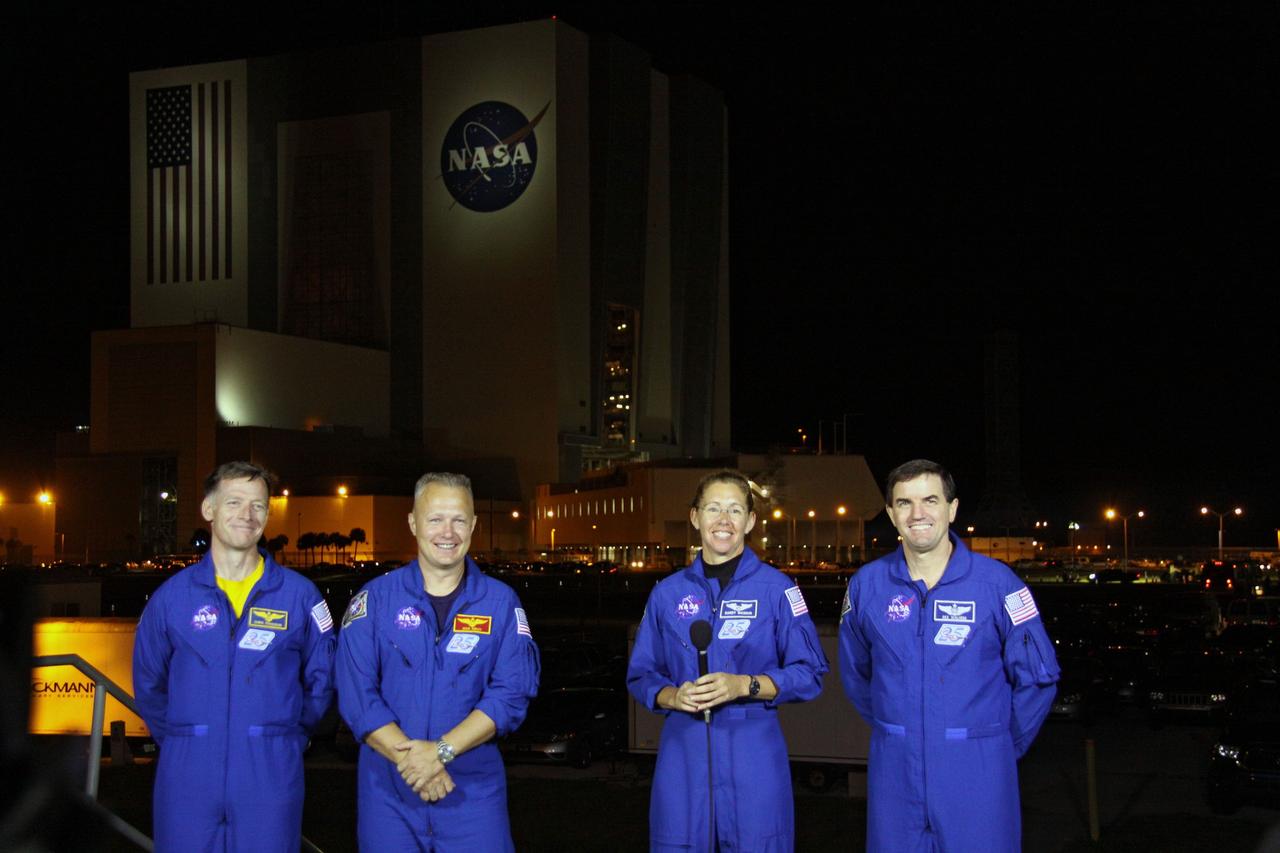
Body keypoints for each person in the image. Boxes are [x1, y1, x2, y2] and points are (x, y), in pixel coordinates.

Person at [839, 459, 1060, 852]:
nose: (918, 514)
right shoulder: (867, 586)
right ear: (891, 514)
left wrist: (998, 745)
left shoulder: (998, 584)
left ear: (952, 509)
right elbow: (856, 674)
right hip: (896, 770)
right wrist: (899, 728)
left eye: (930, 500)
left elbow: (1038, 677)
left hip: (978, 771)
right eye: (904, 503)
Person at [132, 461, 337, 852]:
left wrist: (285, 737)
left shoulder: (300, 596)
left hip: (270, 773)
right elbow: (148, 683)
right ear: (209, 510)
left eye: (258, 505)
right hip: (187, 776)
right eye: (235, 502)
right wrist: (185, 737)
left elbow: (322, 678)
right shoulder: (171, 599)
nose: (247, 515)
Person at [336, 472, 539, 851]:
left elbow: (511, 694)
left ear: (474, 525)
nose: (448, 532)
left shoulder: (501, 603)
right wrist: (416, 764)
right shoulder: (375, 600)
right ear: (413, 522)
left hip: (472, 793)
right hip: (389, 793)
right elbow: (356, 693)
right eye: (435, 519)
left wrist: (440, 753)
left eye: (459, 519)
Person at [627, 469, 828, 852]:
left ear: (750, 521)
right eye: (713, 508)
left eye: (735, 510)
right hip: (682, 750)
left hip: (753, 747)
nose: (723, 520)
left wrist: (744, 685)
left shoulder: (778, 590)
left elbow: (810, 673)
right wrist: (672, 696)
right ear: (695, 516)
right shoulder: (667, 594)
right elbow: (640, 675)